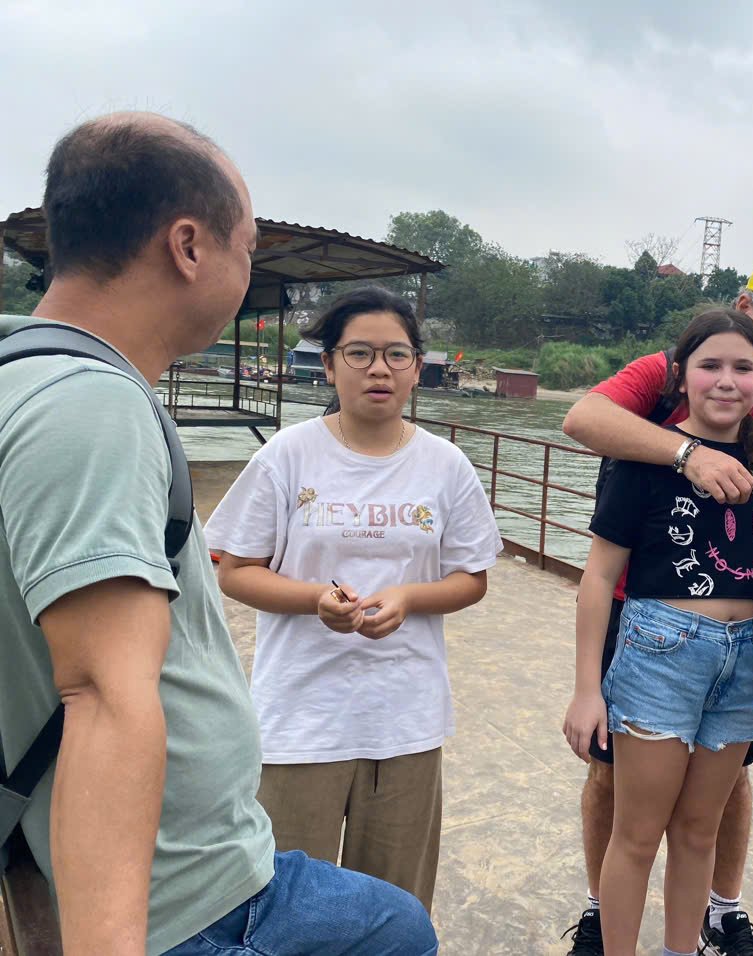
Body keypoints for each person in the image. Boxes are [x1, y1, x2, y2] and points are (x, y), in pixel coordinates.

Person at [0, 114, 437, 954]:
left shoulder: (22, 376)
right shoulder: (93, 409)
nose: (248, 269)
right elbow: (101, 694)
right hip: (190, 898)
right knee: (397, 930)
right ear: (189, 247)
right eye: (248, 247)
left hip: (145, 855)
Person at [559, 253, 753, 956]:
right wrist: (687, 455)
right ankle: (603, 917)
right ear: (747, 306)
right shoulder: (657, 382)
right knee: (618, 790)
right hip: (648, 623)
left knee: (709, 809)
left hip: (740, 646)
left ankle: (717, 913)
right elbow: (583, 418)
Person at [205, 286, 501, 913]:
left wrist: (409, 597)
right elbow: (235, 571)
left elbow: (471, 578)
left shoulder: (446, 465)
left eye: (396, 355)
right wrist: (316, 598)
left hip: (405, 719)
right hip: (300, 719)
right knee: (286, 909)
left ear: (417, 368)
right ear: (329, 364)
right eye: (360, 353)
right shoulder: (287, 455)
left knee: (392, 908)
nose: (378, 370)